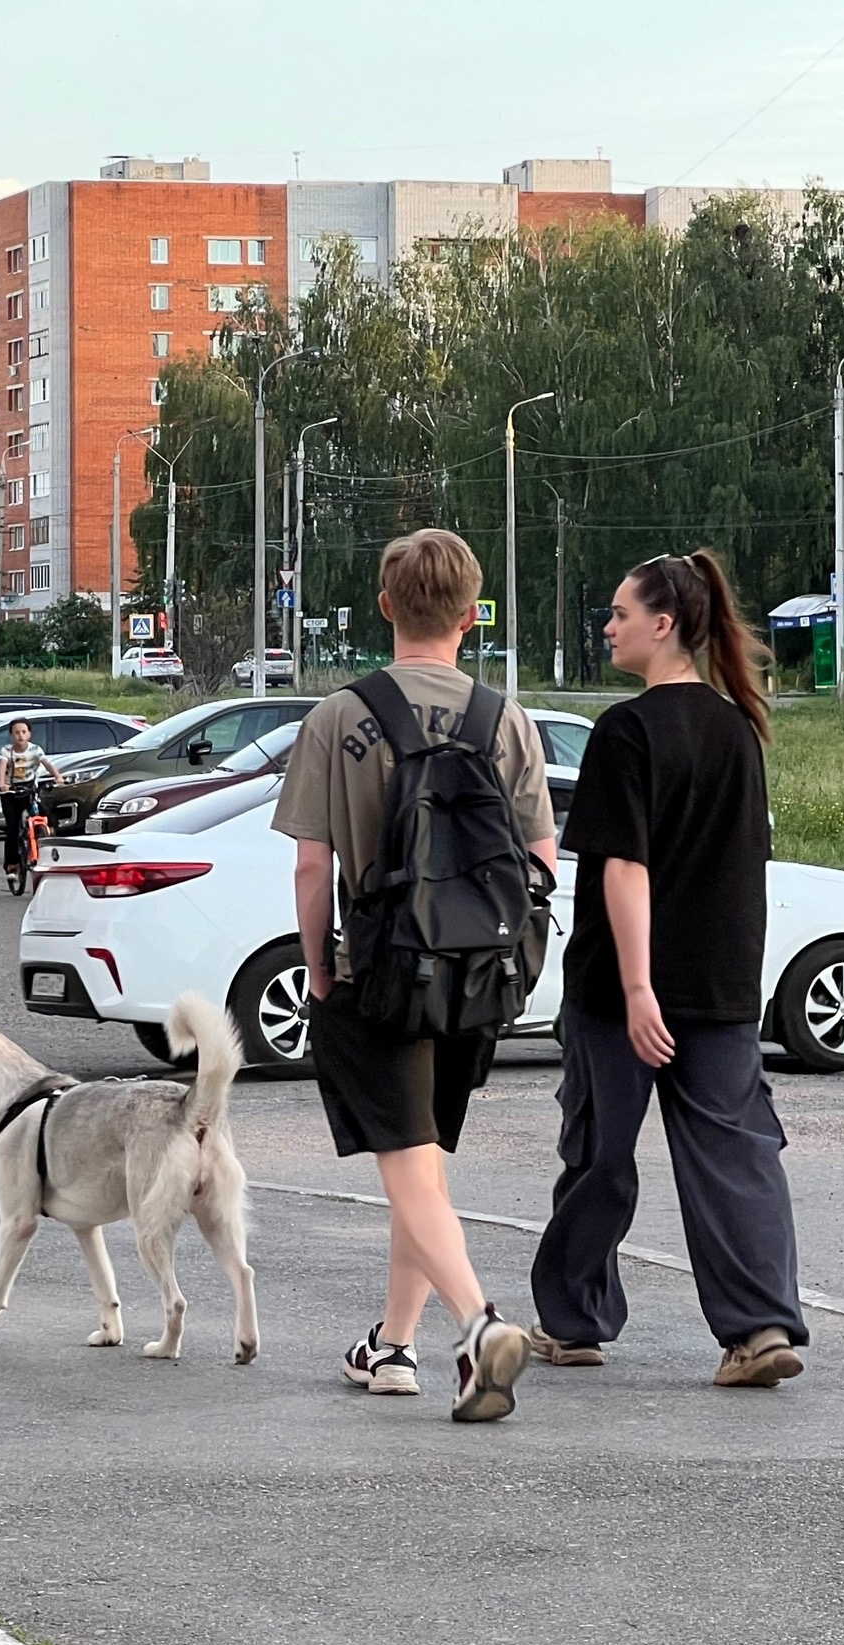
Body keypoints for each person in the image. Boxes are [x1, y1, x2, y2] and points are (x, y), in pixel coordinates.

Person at [274, 527, 556, 1423]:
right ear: (473, 617)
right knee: (421, 1168)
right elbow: (542, 860)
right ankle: (394, 1347)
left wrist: (319, 972)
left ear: (386, 606)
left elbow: (313, 868)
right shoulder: (502, 718)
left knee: (406, 1167)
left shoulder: (340, 717)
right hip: (475, 978)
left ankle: (479, 1326)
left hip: (378, 975)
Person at [528, 550, 809, 1389]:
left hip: (624, 993)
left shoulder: (626, 730)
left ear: (664, 625)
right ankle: (758, 1330)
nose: (608, 627)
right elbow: (742, 869)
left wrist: (640, 987)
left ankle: (574, 1324)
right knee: (735, 1157)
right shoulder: (737, 728)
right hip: (721, 988)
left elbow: (624, 867)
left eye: (619, 614)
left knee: (601, 1156)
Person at [0, 719, 61, 876]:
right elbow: (2, 767)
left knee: (44, 815)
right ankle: (12, 863)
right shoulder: (6, 751)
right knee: (13, 829)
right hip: (11, 792)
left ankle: (43, 840)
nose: (20, 736)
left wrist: (58, 776)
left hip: (29, 788)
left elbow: (47, 764)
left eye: (24, 732)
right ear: (11, 735)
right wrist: (2, 783)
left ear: (29, 734)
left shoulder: (35, 750)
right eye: (16, 733)